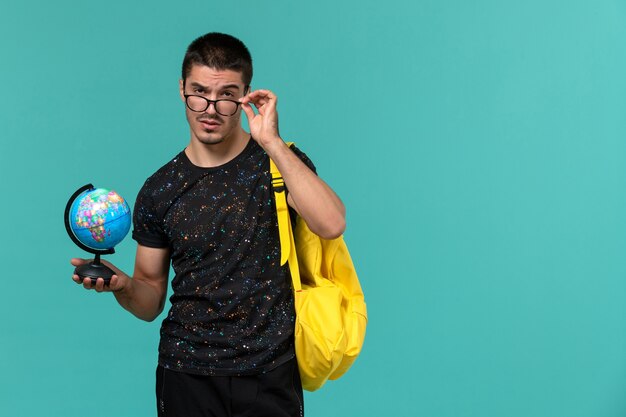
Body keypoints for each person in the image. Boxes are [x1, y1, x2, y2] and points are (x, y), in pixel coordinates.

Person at [70, 32, 346, 417]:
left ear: (245, 96)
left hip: (270, 373)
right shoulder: (160, 188)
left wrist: (272, 142)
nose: (211, 108)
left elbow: (332, 223)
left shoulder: (278, 165)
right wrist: (122, 286)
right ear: (182, 89)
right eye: (199, 92)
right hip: (186, 374)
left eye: (227, 95)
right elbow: (149, 297)